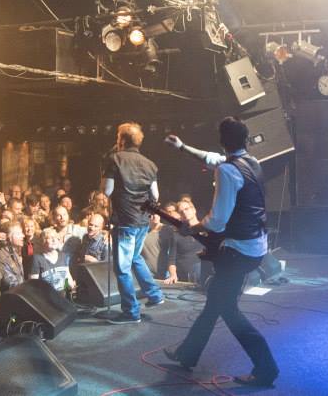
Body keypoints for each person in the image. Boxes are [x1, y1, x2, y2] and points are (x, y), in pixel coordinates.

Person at [162, 117, 279, 387]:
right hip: (256, 245)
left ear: (222, 140)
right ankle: (187, 354)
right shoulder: (251, 162)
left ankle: (266, 369)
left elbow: (218, 221)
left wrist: (193, 228)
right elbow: (212, 158)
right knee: (215, 300)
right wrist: (182, 147)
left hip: (239, 250)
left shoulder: (228, 171)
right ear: (245, 140)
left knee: (227, 308)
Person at [103, 122, 165, 324]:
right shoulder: (150, 163)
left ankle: (131, 312)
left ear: (121, 139)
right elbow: (155, 195)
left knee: (122, 268)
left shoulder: (114, 160)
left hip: (125, 221)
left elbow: (107, 191)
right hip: (142, 221)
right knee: (135, 257)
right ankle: (155, 295)